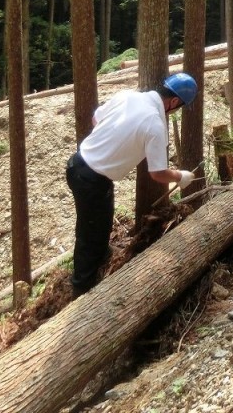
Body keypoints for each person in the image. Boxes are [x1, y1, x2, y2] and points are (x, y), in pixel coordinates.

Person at [66, 72, 198, 298]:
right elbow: (157, 173)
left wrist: (112, 141)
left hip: (79, 165)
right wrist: (180, 176)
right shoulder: (155, 124)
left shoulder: (129, 96)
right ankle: (81, 292)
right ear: (174, 102)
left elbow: (96, 117)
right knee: (89, 235)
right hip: (91, 178)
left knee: (101, 223)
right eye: (179, 107)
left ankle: (101, 257)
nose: (176, 111)